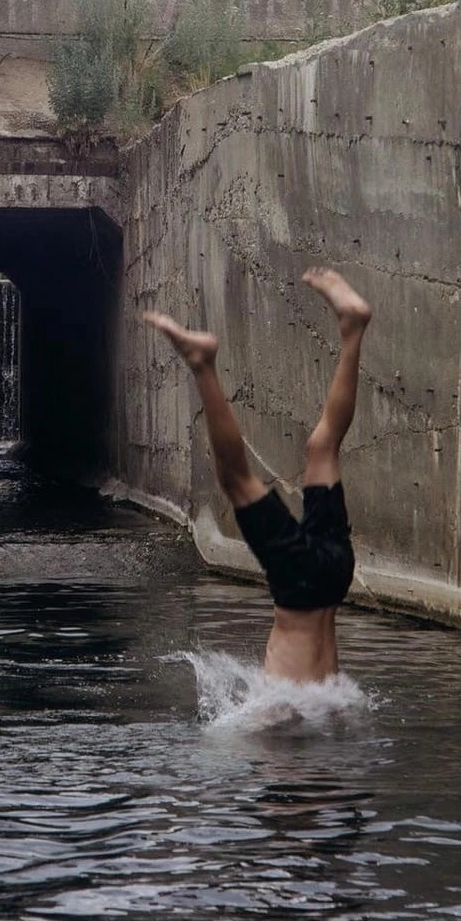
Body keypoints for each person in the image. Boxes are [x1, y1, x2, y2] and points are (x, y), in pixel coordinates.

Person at [143, 266, 372, 683]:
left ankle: (352, 330)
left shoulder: (322, 703)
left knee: (323, 447)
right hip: (302, 588)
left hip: (335, 573)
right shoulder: (289, 716)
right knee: (236, 480)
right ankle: (202, 365)